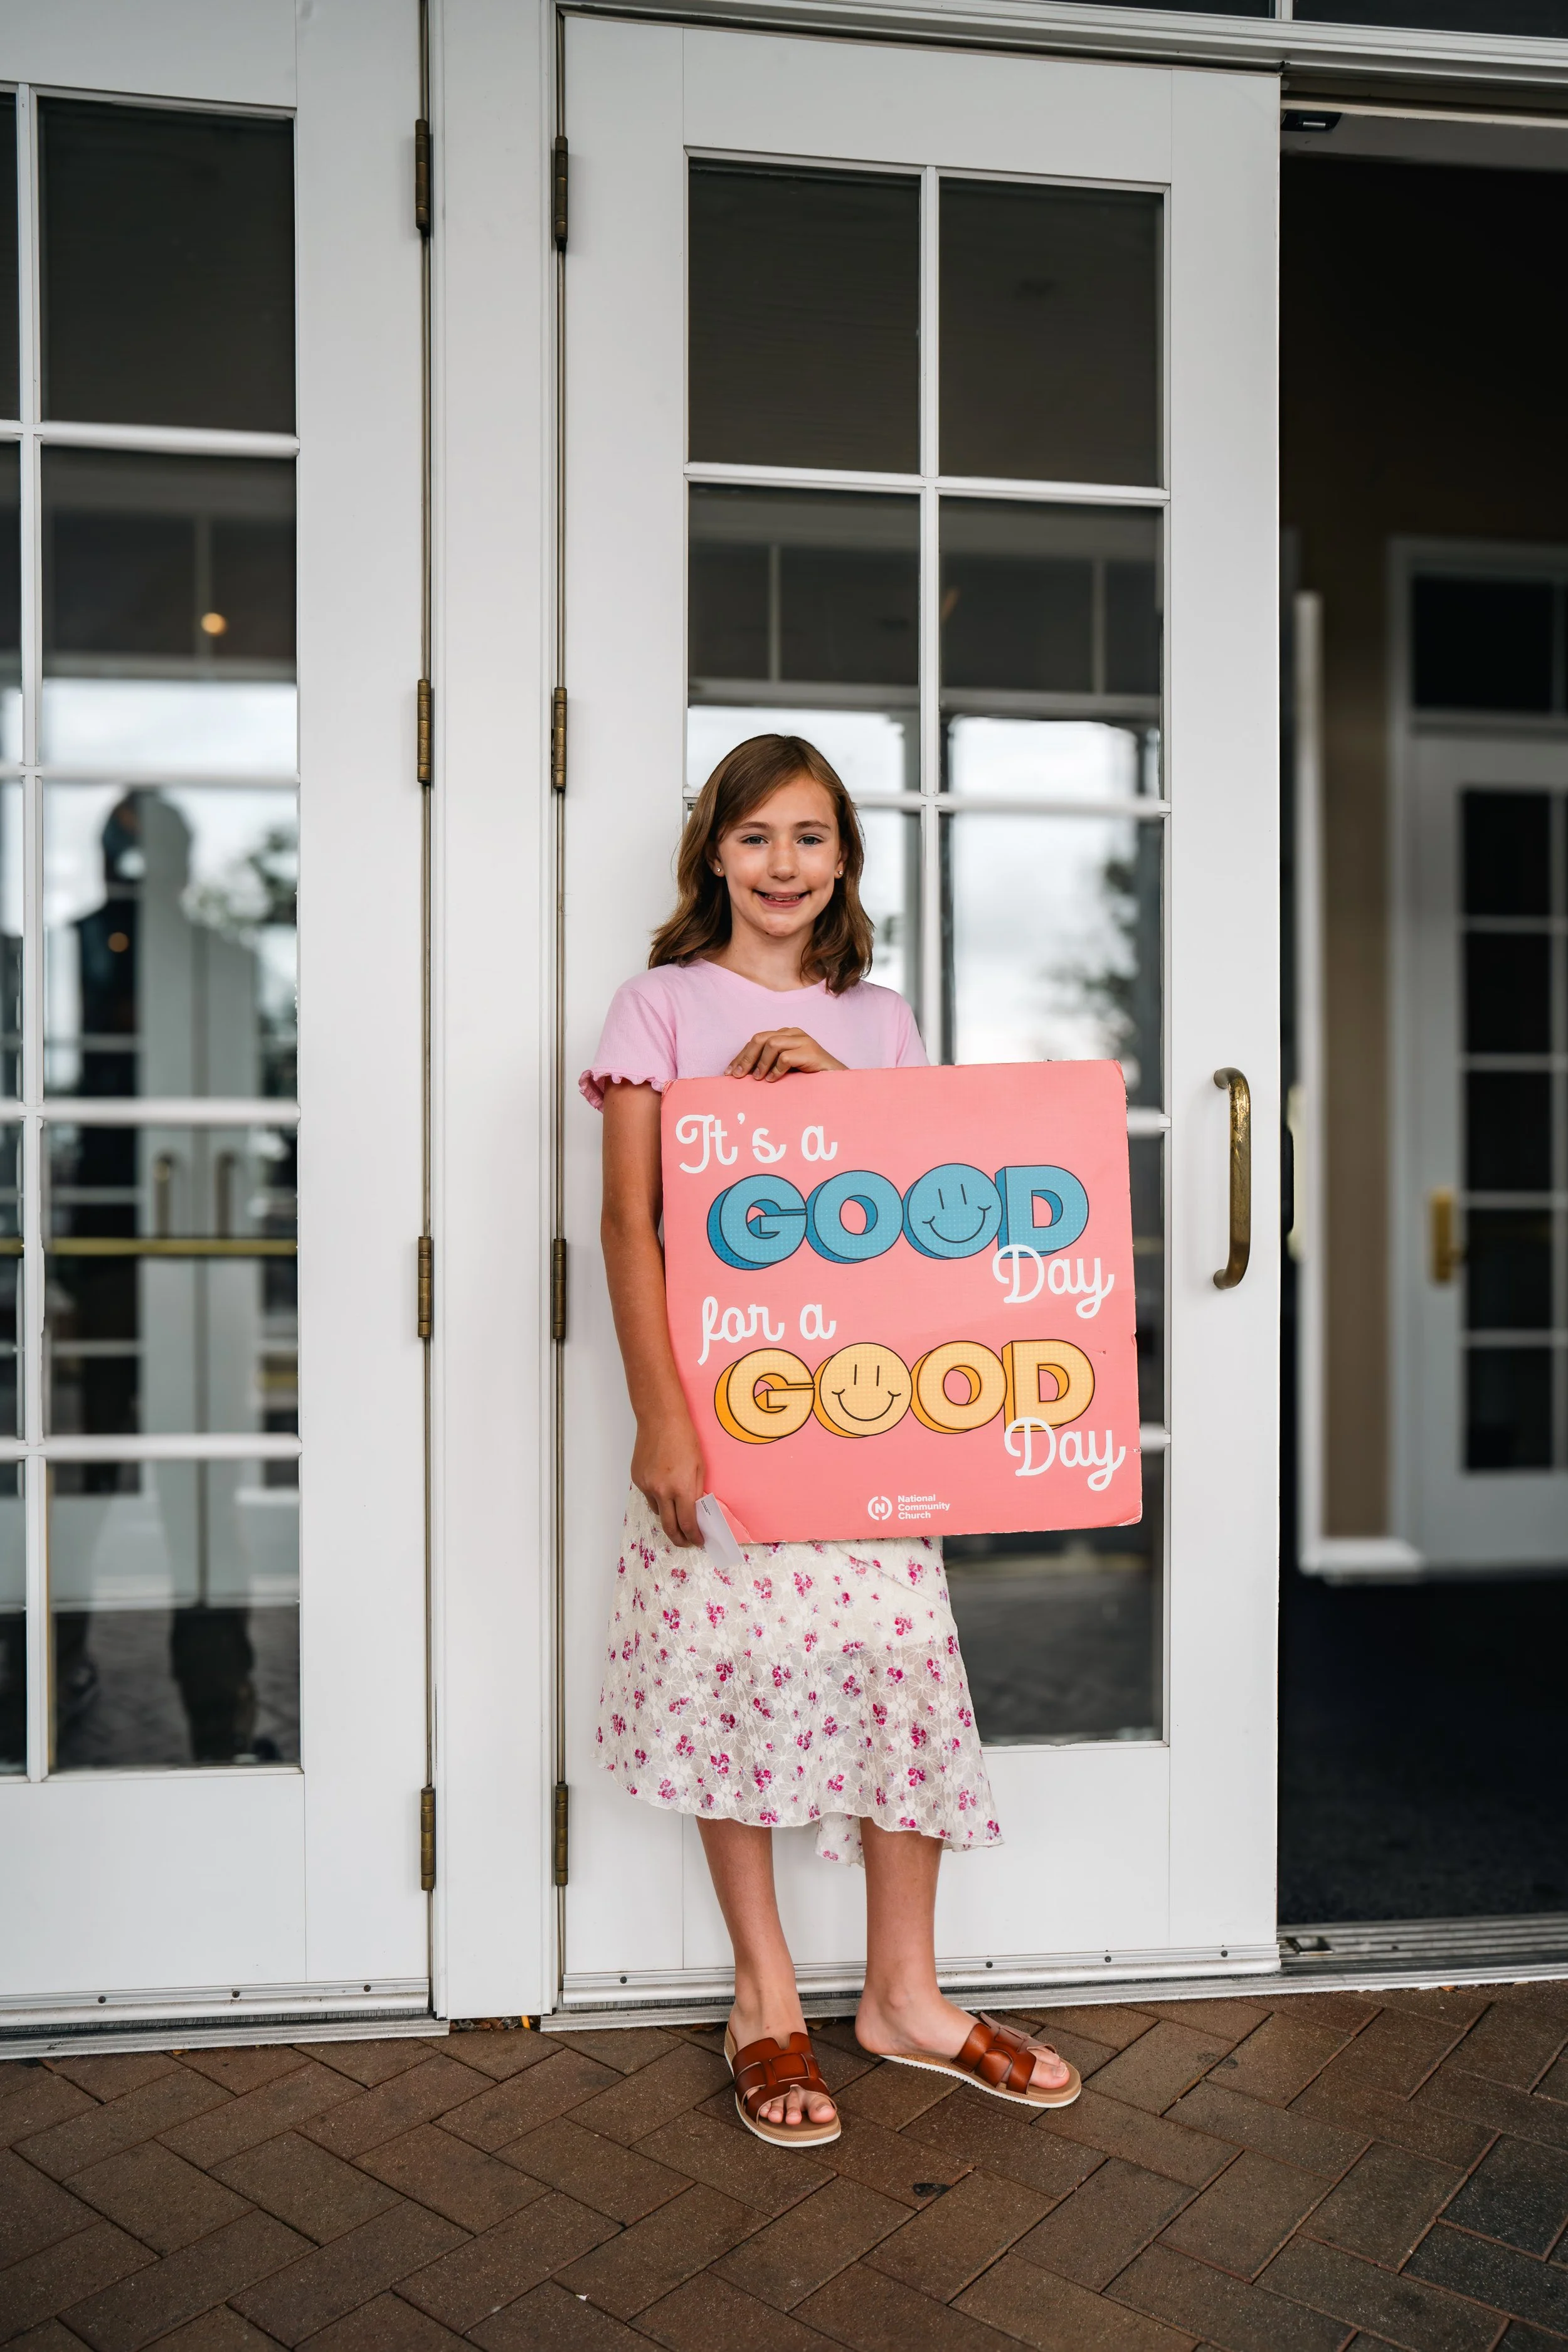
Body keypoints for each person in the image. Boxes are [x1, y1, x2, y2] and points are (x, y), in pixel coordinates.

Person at [581, 733, 1081, 2147]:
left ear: (845, 858)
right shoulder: (658, 1008)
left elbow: (928, 1222)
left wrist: (846, 1105)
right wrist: (661, 1420)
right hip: (723, 1429)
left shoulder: (886, 1018)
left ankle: (905, 2000)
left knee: (898, 1679)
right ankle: (763, 2000)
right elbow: (629, 1227)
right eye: (752, 838)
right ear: (712, 856)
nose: (781, 866)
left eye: (808, 838)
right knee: (729, 1681)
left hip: (862, 1429)